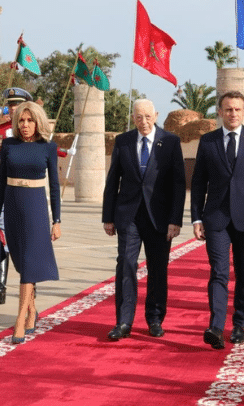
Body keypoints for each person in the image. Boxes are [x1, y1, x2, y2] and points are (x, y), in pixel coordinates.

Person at [191, 91, 244, 349]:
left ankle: (239, 324)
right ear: (220, 112)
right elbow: (198, 183)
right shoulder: (208, 141)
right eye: (228, 109)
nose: (233, 114)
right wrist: (196, 217)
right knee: (218, 271)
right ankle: (216, 326)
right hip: (215, 218)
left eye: (237, 109)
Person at [102, 99, 185, 340]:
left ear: (156, 115)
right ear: (133, 118)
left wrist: (175, 219)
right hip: (128, 216)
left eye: (148, 116)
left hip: (159, 218)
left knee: (158, 269)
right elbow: (113, 180)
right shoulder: (123, 141)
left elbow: (178, 184)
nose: (143, 121)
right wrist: (108, 217)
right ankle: (124, 321)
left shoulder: (170, 142)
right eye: (139, 117)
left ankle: (155, 319)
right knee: (126, 265)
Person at [0, 101, 61, 343]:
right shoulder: (8, 145)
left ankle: (20, 319)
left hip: (36, 209)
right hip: (12, 208)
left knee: (29, 263)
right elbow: (0, 184)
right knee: (20, 262)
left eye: (30, 120)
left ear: (38, 122)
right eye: (21, 120)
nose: (25, 125)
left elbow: (54, 187)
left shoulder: (48, 147)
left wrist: (57, 220)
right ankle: (31, 309)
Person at [0, 89, 31, 304]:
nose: (13, 108)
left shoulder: (31, 130)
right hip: (3, 188)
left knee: (25, 239)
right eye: (10, 105)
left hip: (24, 189)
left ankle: (29, 290)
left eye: (17, 104)